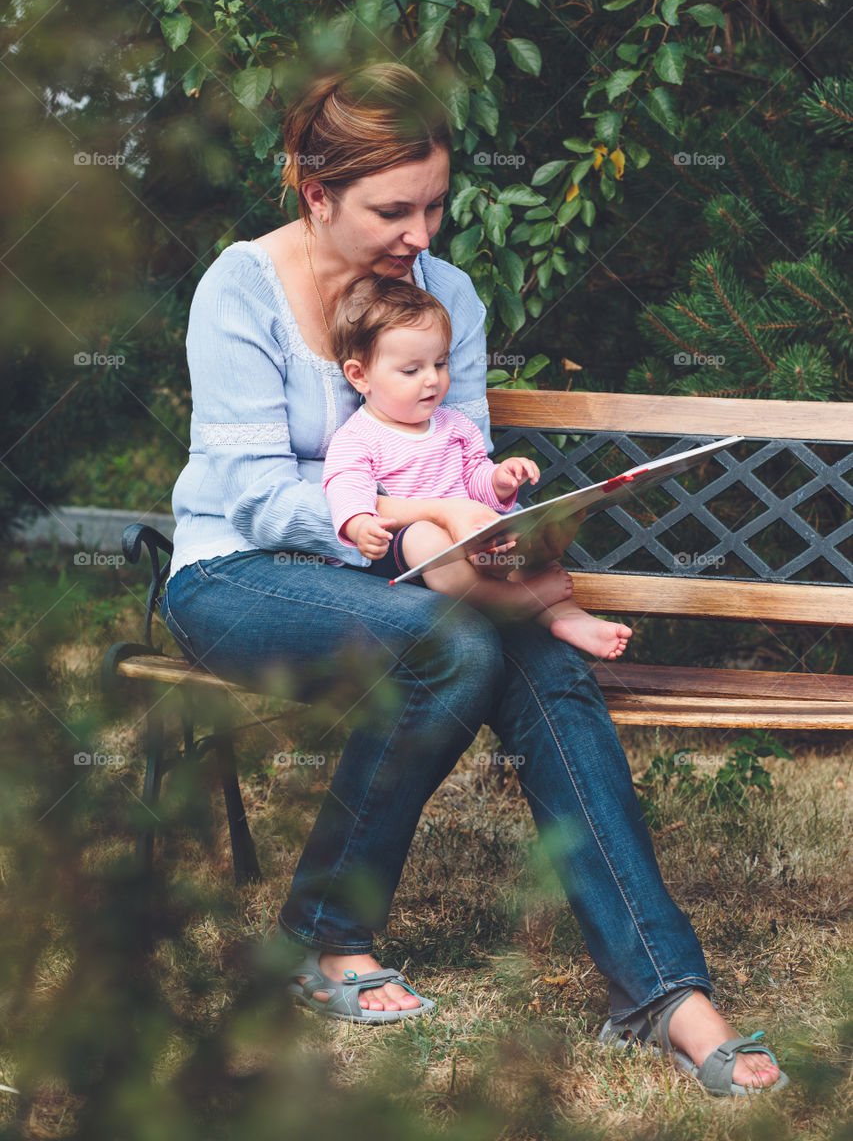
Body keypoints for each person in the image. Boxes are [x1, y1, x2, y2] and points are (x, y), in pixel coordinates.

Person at [160, 61, 785, 1093]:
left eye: (437, 204)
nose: (422, 234)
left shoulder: (447, 294)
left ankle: (668, 994)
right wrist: (402, 534)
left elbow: (458, 458)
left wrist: (488, 532)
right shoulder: (240, 287)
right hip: (240, 575)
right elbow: (257, 498)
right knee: (450, 644)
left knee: (538, 656)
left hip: (413, 574)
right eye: (391, 210)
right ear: (315, 194)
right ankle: (324, 934)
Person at [322, 275, 632, 660]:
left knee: (515, 543)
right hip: (404, 558)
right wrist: (358, 524)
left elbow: (473, 479)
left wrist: (500, 480)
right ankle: (509, 603)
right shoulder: (358, 436)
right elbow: (345, 486)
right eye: (411, 370)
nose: (432, 379)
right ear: (360, 376)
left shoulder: (455, 426)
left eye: (439, 363)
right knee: (425, 537)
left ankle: (568, 619)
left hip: (470, 545)